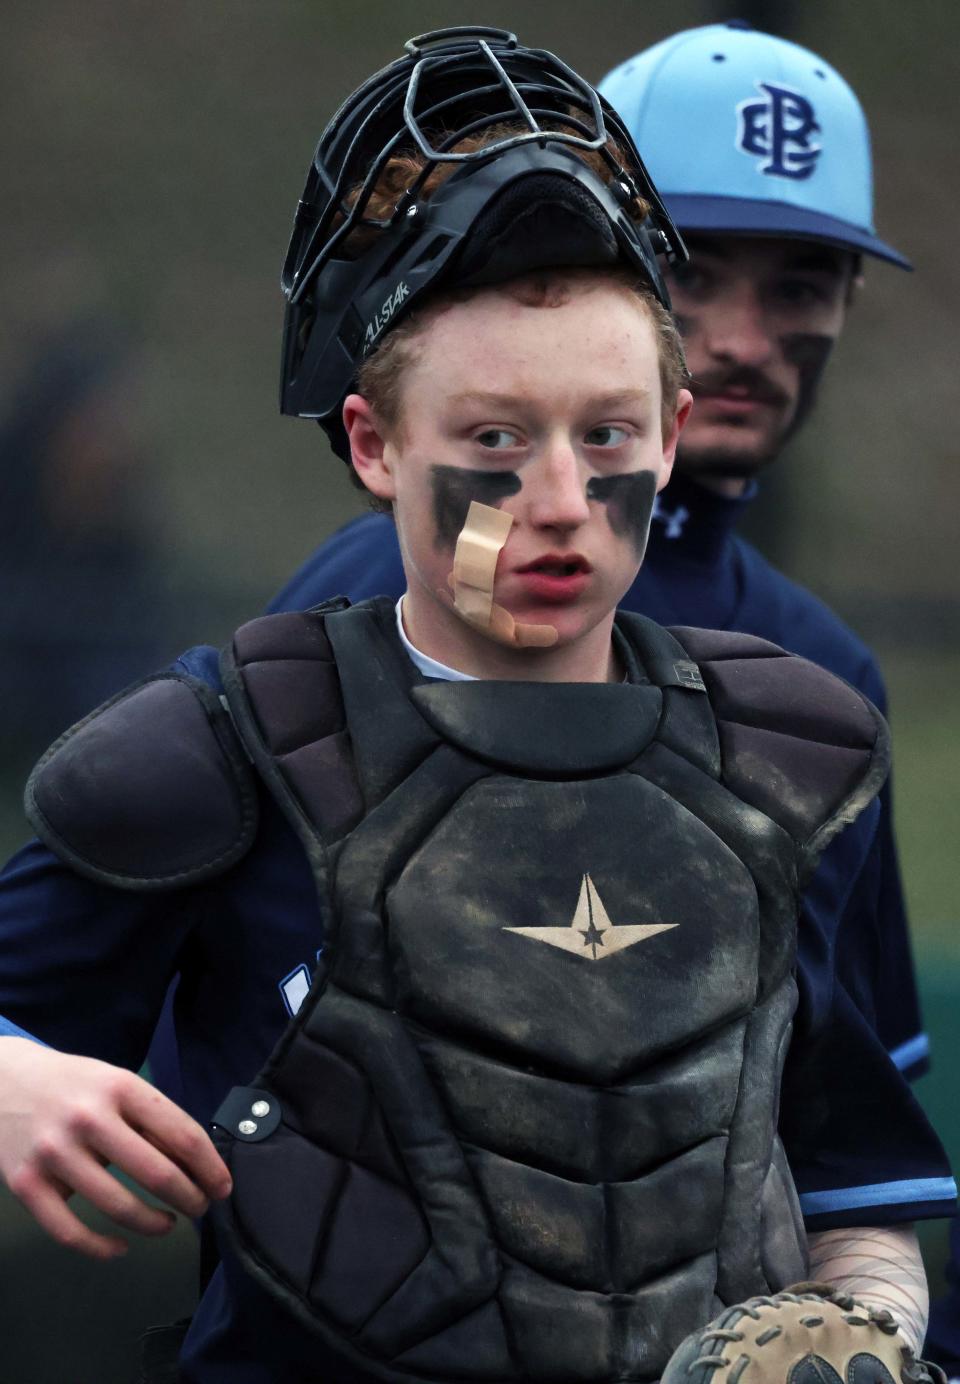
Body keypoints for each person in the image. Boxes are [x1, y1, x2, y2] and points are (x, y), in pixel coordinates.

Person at [0, 27, 953, 1384]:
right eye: (495, 441)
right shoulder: (240, 737)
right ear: (377, 447)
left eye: (608, 437)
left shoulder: (782, 752)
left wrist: (863, 1341)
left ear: (669, 438)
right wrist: (12, 1080)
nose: (559, 500)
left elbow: (855, 1197)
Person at [268, 20, 931, 1099]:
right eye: (698, 272)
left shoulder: (824, 668)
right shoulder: (394, 590)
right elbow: (240, 1013)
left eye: (801, 286)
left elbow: (845, 1101)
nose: (746, 340)